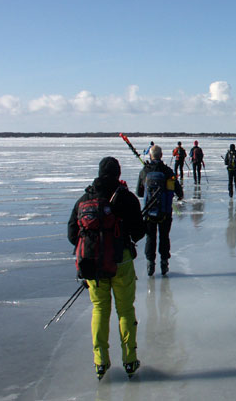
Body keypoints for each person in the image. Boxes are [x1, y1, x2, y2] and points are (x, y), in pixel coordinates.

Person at [67, 157, 145, 379]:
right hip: (121, 262)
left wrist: (95, 247)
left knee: (100, 309)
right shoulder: (126, 198)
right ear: (118, 173)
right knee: (125, 310)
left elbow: (73, 234)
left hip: (93, 266)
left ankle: (100, 361)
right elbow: (139, 231)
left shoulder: (85, 199)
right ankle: (130, 360)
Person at [136, 145, 182, 276]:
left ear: (151, 156)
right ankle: (164, 263)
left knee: (150, 237)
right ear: (161, 155)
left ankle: (150, 264)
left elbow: (139, 192)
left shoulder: (145, 171)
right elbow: (178, 190)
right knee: (164, 237)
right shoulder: (167, 171)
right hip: (165, 212)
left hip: (149, 212)